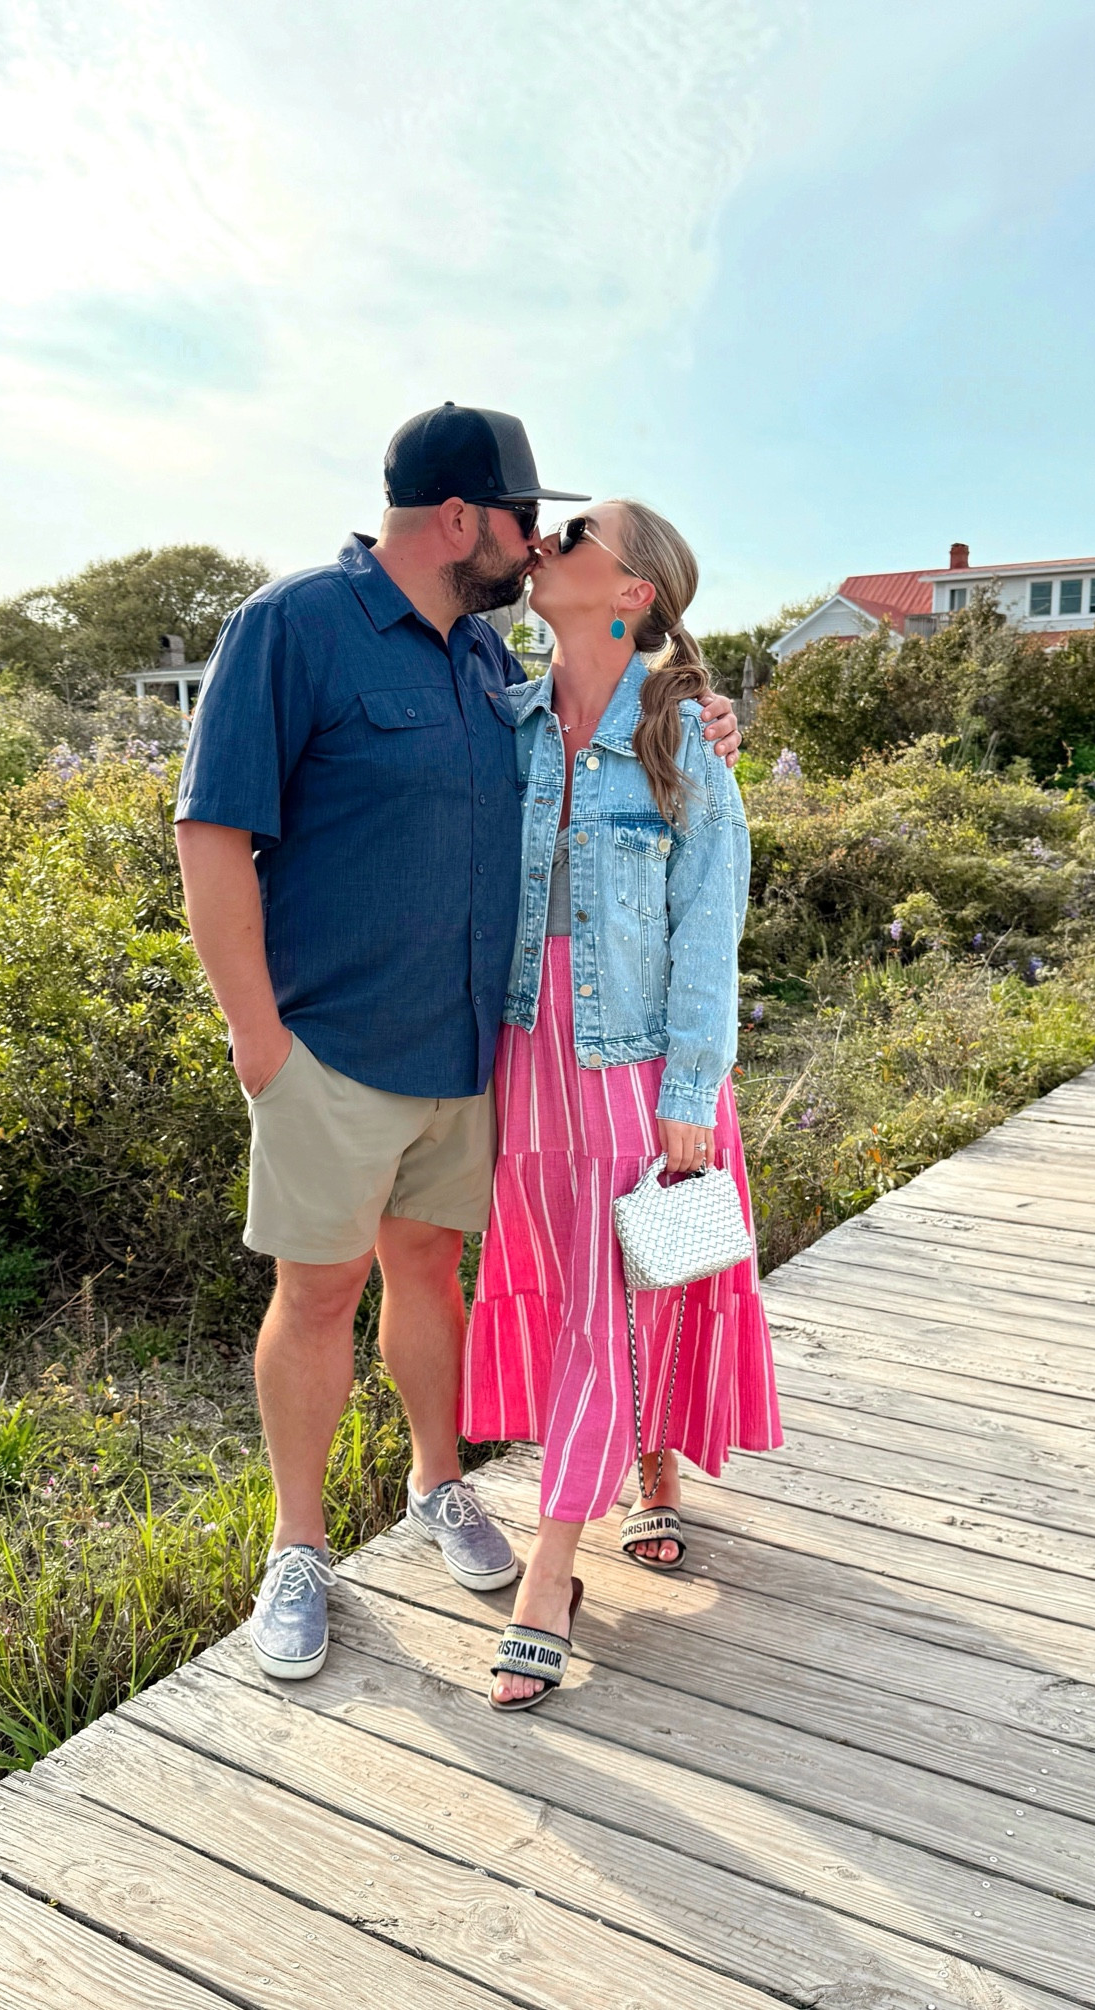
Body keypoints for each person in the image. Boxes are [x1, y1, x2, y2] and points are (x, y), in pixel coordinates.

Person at [173, 407, 741, 1683]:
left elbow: (620, 744)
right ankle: (300, 1546)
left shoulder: (492, 672)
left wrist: (701, 718)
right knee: (316, 1295)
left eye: (555, 527)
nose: (533, 542)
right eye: (522, 519)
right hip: (327, 1050)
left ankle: (439, 1486)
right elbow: (212, 837)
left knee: (433, 1282)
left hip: (476, 1060)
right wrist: (257, 1041)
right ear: (458, 522)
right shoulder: (290, 626)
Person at [461, 500, 782, 1711]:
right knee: (582, 1279)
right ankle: (648, 1466)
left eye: (576, 531)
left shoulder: (685, 744)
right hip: (520, 1045)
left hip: (635, 1055)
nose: (544, 539)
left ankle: (551, 1574)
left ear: (630, 590)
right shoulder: (504, 722)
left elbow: (713, 924)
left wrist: (693, 1088)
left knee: (620, 1281)